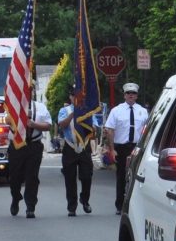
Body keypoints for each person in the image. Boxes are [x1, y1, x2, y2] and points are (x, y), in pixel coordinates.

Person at [103, 82, 148, 215]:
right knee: (121, 176)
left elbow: (146, 131)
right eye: (128, 93)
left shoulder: (143, 112)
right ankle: (120, 204)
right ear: (124, 95)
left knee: (136, 177)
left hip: (137, 148)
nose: (130, 95)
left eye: (133, 93)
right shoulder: (116, 111)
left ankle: (134, 204)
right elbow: (109, 130)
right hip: (121, 148)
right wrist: (112, 149)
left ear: (136, 96)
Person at [55, 86, 99, 217]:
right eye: (73, 95)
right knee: (70, 178)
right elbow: (61, 125)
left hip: (84, 146)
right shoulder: (64, 110)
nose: (76, 98)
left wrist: (86, 119)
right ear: (70, 97)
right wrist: (72, 115)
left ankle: (85, 200)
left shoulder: (87, 110)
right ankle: (71, 207)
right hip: (70, 146)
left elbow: (94, 128)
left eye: (78, 96)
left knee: (86, 176)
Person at [7, 94, 52, 218]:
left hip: (34, 146)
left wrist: (34, 125)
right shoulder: (13, 105)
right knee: (14, 177)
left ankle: (30, 207)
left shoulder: (40, 107)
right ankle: (15, 198)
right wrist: (18, 117)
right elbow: (7, 120)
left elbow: (48, 125)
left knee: (32, 177)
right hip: (17, 146)